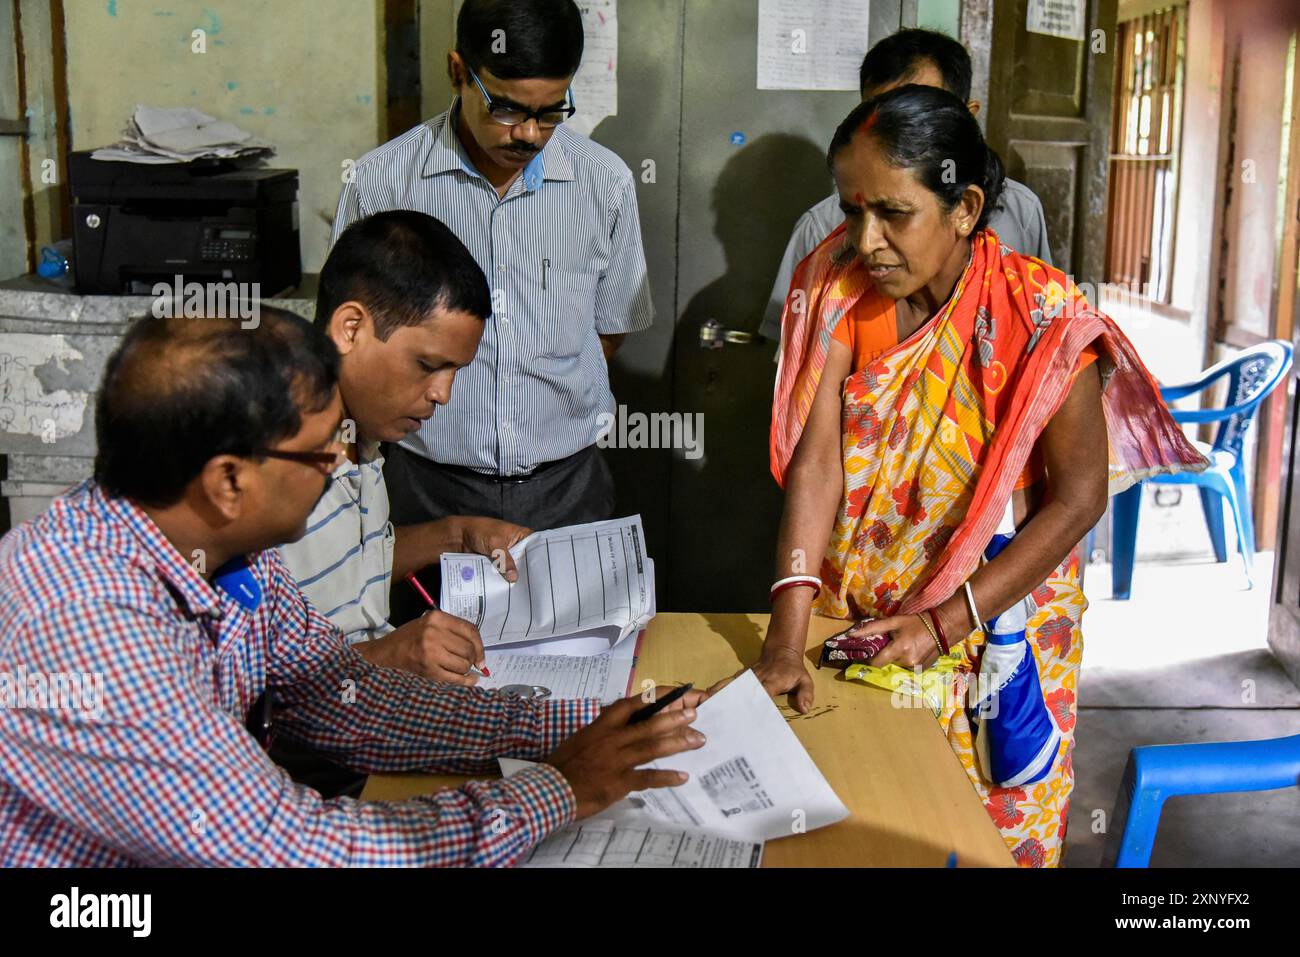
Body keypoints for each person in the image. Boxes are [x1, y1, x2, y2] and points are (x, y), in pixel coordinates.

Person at [0, 308, 704, 867]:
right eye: (318, 450)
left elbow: (344, 697)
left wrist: (590, 727)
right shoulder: (89, 624)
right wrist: (559, 789)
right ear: (228, 480)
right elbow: (301, 849)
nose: (341, 462)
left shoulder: (226, 554)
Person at [746, 86, 1205, 867]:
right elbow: (818, 459)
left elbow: (1081, 496)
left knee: (989, 834)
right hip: (865, 623)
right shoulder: (833, 287)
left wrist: (946, 621)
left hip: (997, 626)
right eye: (852, 208)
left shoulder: (1042, 315)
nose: (867, 238)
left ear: (964, 207)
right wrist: (786, 639)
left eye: (894, 212)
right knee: (864, 832)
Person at [331, 0, 652, 547]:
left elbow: (607, 330)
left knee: (574, 633)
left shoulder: (606, 184)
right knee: (424, 633)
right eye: (505, 109)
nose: (528, 134)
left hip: (567, 490)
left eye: (551, 111)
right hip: (423, 486)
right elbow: (348, 346)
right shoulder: (381, 184)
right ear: (458, 73)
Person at [280, 210, 526, 685]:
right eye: (428, 365)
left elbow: (353, 565)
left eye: (455, 371)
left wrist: (457, 535)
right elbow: (248, 672)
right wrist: (382, 656)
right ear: (350, 329)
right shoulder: (277, 466)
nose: (443, 394)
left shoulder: (364, 436)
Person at [759, 28, 1053, 347]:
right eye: (877, 118)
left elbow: (1039, 338)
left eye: (918, 119)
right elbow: (799, 370)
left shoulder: (1021, 212)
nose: (868, 242)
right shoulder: (823, 230)